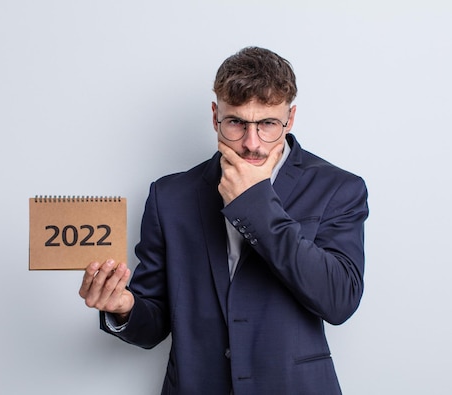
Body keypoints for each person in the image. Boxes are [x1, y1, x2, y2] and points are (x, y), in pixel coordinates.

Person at [79, 46, 369, 395]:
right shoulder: (170, 196)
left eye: (267, 124)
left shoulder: (338, 188)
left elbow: (339, 301)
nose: (251, 143)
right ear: (215, 115)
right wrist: (123, 308)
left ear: (289, 119)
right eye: (236, 123)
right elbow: (153, 324)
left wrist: (256, 206)